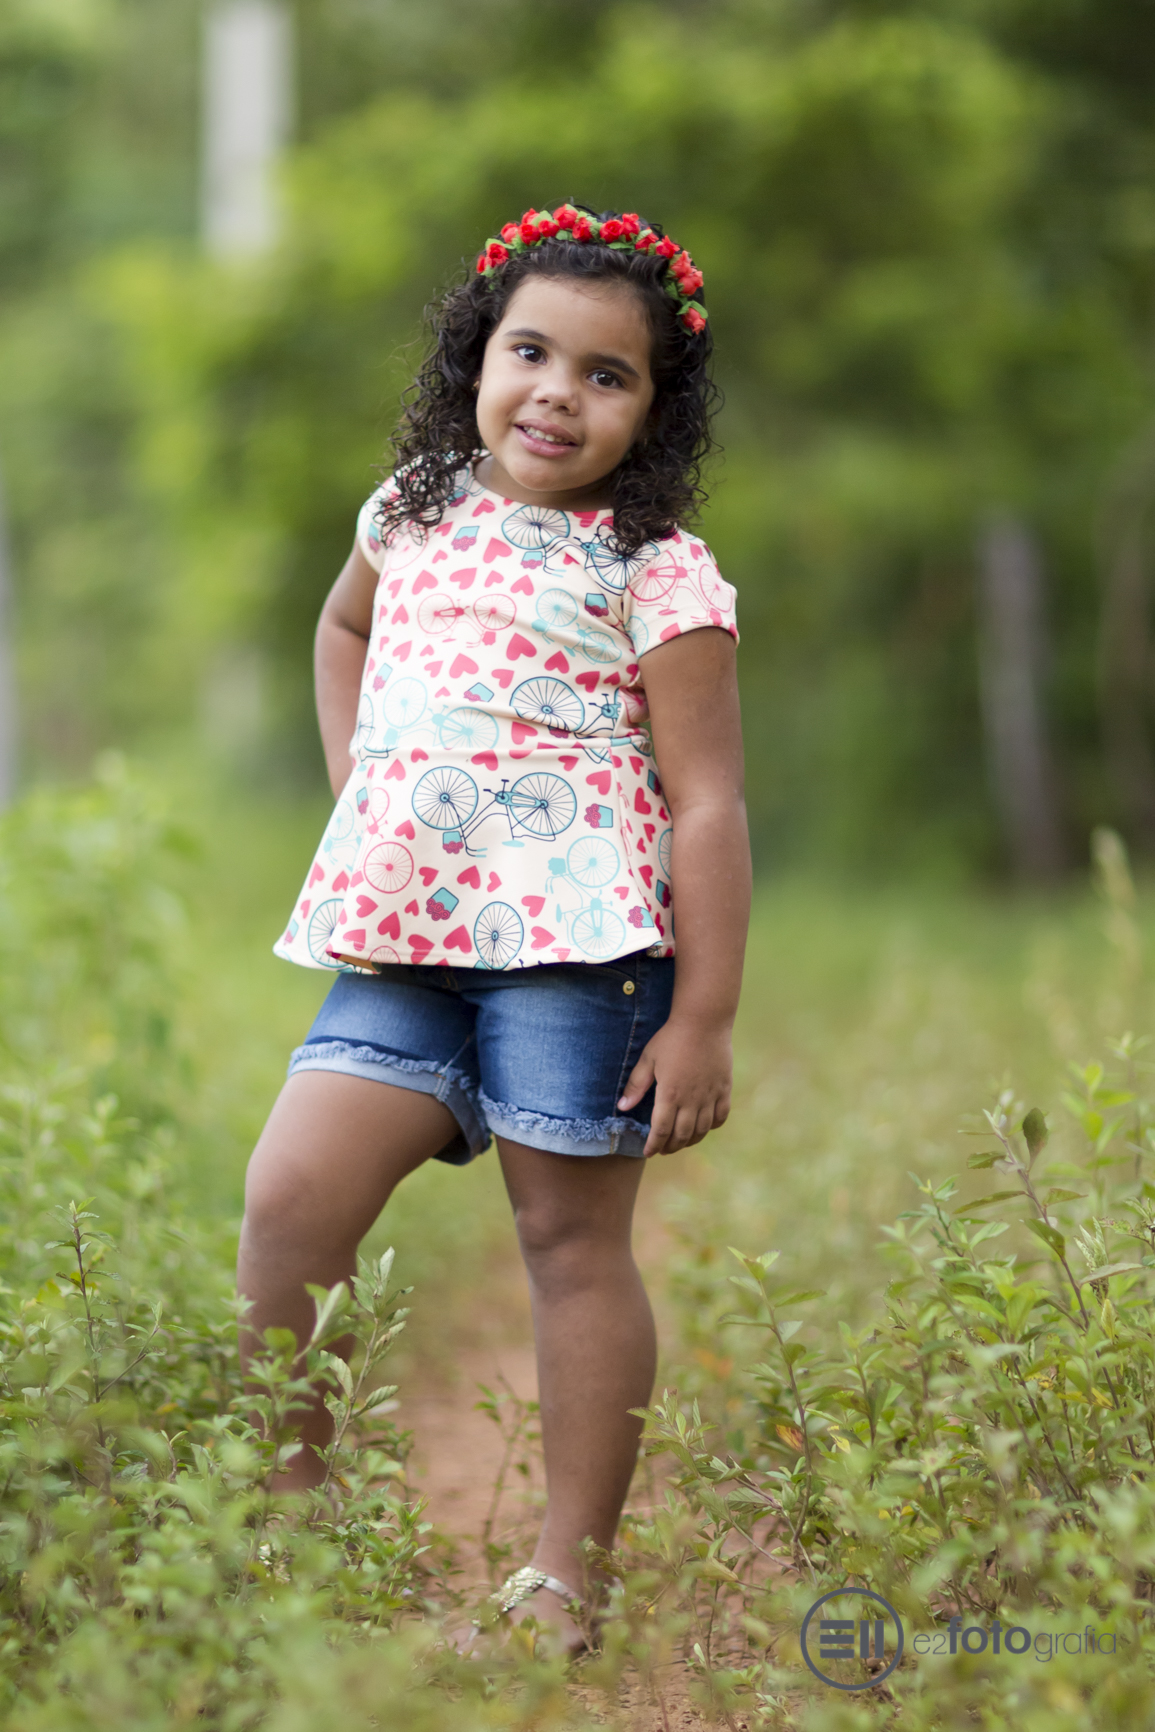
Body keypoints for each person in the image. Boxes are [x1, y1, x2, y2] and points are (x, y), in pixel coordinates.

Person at [238, 202, 751, 1655]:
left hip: (581, 958)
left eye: (607, 375)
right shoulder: (408, 510)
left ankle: (566, 1582)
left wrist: (704, 1016)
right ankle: (291, 1529)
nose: (557, 393)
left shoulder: (657, 569)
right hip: (407, 941)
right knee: (290, 1201)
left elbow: (709, 801)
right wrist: (364, 791)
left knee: (570, 1244)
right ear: (477, 355)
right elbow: (343, 630)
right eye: (530, 352)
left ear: (653, 411)